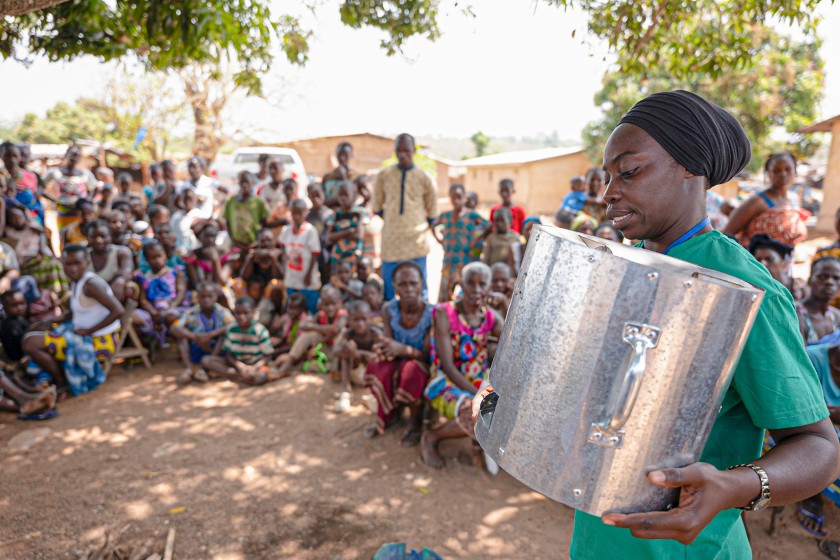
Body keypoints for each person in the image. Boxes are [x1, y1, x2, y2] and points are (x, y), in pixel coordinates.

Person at [474, 90, 840, 559]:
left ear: (689, 167)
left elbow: (818, 448)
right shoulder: (630, 266)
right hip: (602, 541)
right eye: (607, 177)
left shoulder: (744, 290)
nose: (608, 192)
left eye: (628, 172)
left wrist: (733, 487)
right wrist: (506, 405)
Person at [422, 262, 502, 468]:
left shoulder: (490, 317)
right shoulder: (444, 313)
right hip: (446, 380)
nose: (476, 289)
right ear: (462, 285)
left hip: (478, 381)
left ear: (488, 287)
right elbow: (448, 366)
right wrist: (479, 394)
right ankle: (432, 437)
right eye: (470, 283)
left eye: (481, 284)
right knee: (476, 411)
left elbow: (512, 342)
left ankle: (479, 441)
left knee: (503, 406)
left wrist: (502, 305)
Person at [23, 244, 123, 397]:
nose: (72, 269)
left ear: (86, 262)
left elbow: (118, 311)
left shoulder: (90, 285)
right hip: (85, 333)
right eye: (68, 264)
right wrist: (57, 319)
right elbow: (83, 309)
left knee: (30, 343)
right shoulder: (78, 281)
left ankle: (62, 382)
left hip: (101, 340)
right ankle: (49, 378)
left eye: (77, 263)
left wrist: (89, 331)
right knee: (36, 331)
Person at [364, 261, 433, 446]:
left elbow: (428, 356)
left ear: (421, 284)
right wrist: (382, 349)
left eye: (413, 283)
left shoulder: (432, 313)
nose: (409, 289)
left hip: (422, 364)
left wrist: (403, 349)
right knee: (378, 365)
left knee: (412, 370)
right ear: (394, 287)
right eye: (403, 284)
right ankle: (388, 414)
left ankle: (415, 422)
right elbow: (387, 342)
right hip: (398, 361)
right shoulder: (389, 309)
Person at [373, 134, 437, 301]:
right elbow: (377, 207)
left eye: (406, 151)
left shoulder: (425, 178)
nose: (402, 155)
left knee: (419, 288)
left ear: (414, 151)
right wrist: (393, 221)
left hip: (416, 241)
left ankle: (423, 324)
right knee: (389, 289)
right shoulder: (383, 176)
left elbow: (432, 213)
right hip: (391, 240)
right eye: (399, 151)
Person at [723, 152, 809, 246]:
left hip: (786, 260)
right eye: (776, 171)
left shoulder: (794, 199)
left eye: (788, 169)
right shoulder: (757, 202)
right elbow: (727, 233)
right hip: (757, 260)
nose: (783, 174)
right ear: (769, 173)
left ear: (795, 171)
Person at [433, 183, 490, 303]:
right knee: (444, 293)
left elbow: (488, 226)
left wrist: (475, 241)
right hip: (448, 261)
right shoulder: (446, 215)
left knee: (465, 294)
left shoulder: (471, 215)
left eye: (459, 197)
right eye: (453, 197)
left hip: (464, 261)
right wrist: (439, 240)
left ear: (465, 198)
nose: (456, 200)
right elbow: (433, 225)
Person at [274, 285, 347, 378]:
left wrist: (320, 340)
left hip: (338, 354)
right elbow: (303, 325)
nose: (330, 308)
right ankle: (285, 367)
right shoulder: (321, 315)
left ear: (340, 303)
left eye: (333, 304)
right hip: (326, 351)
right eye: (326, 304)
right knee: (309, 333)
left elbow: (337, 329)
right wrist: (321, 328)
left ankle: (335, 368)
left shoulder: (343, 315)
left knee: (342, 333)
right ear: (321, 304)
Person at [171, 282, 234, 386]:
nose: (206, 300)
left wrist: (211, 335)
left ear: (215, 297)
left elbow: (232, 325)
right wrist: (194, 338)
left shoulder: (222, 311)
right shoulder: (191, 312)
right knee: (182, 337)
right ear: (198, 297)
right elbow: (174, 327)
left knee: (223, 335)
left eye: (210, 296)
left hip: (215, 348)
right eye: (202, 297)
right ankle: (189, 368)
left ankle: (208, 366)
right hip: (197, 348)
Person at [201, 296, 274, 385]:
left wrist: (254, 368)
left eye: (245, 313)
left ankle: (239, 376)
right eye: (238, 313)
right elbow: (228, 355)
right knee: (206, 360)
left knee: (261, 376)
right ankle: (242, 376)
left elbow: (268, 355)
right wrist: (239, 366)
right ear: (234, 313)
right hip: (237, 365)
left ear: (253, 312)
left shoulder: (260, 330)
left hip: (256, 365)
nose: (241, 316)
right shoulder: (231, 329)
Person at [2, 205, 68, 298]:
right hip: (23, 264)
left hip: (37, 260)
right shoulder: (8, 232)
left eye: (20, 217)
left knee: (56, 264)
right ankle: (55, 294)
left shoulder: (34, 229)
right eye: (13, 218)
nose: (17, 220)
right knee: (52, 265)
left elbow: (44, 244)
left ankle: (59, 293)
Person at [133, 241, 189, 347]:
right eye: (153, 258)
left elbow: (181, 294)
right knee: (132, 315)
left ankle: (178, 344)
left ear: (165, 256)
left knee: (170, 317)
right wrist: (154, 312)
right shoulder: (144, 278)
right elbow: (143, 300)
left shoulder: (176, 272)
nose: (157, 260)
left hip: (175, 308)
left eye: (160, 256)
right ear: (147, 260)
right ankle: (146, 346)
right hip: (153, 313)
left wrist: (169, 309)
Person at [333, 299, 382, 413]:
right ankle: (345, 391)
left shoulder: (374, 333)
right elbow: (335, 352)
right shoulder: (348, 334)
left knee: (372, 358)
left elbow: (378, 356)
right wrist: (351, 352)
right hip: (355, 372)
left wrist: (358, 353)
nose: (360, 323)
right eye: (356, 320)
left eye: (364, 319)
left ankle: (372, 396)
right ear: (349, 320)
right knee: (347, 348)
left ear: (370, 318)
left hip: (371, 375)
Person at [279, 199, 322, 314]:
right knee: (292, 305)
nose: (297, 216)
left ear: (306, 213)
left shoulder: (310, 231)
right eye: (294, 213)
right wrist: (285, 265)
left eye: (300, 213)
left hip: (306, 276)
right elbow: (282, 248)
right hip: (292, 275)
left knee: (310, 306)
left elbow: (315, 254)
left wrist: (308, 274)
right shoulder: (286, 230)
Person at [45, 145, 96, 232]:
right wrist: (54, 200)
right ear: (66, 155)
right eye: (72, 154)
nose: (74, 157)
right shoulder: (55, 172)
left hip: (80, 212)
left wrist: (87, 201)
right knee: (64, 235)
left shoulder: (85, 174)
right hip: (63, 211)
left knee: (80, 235)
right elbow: (39, 186)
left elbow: (95, 188)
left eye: (77, 155)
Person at [85, 220, 134, 302]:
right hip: (90, 296)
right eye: (93, 237)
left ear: (110, 236)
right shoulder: (83, 256)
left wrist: (120, 280)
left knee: (129, 289)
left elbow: (127, 270)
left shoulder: (121, 252)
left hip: (114, 296)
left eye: (103, 236)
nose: (98, 240)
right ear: (87, 238)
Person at [796, 257, 840, 345]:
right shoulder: (797, 314)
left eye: (836, 278)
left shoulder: (836, 316)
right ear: (809, 280)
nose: (829, 282)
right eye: (822, 276)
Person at [222, 171, 269, 252]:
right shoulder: (231, 201)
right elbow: (228, 223)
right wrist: (234, 241)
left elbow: (264, 224)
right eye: (242, 182)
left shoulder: (259, 202)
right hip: (235, 244)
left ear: (252, 183)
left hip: (254, 244)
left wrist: (257, 241)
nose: (244, 185)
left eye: (247, 182)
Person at [326, 180, 367, 270]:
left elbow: (359, 236)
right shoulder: (335, 214)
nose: (342, 198)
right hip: (337, 257)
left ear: (353, 195)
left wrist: (338, 235)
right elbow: (329, 237)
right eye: (340, 195)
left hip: (354, 257)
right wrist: (348, 231)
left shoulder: (360, 213)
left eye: (346, 194)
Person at [1, 141, 44, 226]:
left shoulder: (31, 176)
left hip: (31, 215)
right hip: (7, 216)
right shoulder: (2, 176)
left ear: (19, 157)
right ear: (2, 156)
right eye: (7, 155)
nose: (11, 159)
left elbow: (34, 199)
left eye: (15, 156)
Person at [305, 182, 333, 286]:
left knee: (324, 281)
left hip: (324, 256)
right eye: (313, 196)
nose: (316, 199)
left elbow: (328, 238)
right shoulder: (307, 215)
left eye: (318, 195)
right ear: (308, 197)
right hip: (309, 256)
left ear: (323, 193)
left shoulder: (329, 214)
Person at [323, 142, 354, 206]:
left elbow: (351, 200)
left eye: (345, 155)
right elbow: (322, 200)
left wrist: (344, 178)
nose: (342, 158)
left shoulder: (355, 177)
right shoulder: (327, 177)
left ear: (351, 155)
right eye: (340, 155)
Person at [172, 187, 202, 253]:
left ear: (195, 199)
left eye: (190, 199)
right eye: (185, 199)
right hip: (179, 249)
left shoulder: (198, 214)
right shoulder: (177, 216)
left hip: (195, 249)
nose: (187, 202)